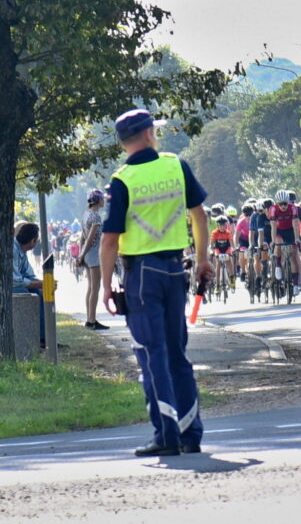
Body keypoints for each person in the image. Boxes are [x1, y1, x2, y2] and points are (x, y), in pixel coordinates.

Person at [99, 108, 211, 457]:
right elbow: (199, 215)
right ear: (148, 134)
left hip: (141, 274)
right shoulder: (175, 166)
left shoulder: (122, 181)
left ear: (124, 142)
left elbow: (110, 239)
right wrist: (204, 259)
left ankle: (166, 435)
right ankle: (191, 433)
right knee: (177, 352)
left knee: (152, 354)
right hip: (175, 269)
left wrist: (106, 285)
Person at [12, 221, 47, 348]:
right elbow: (15, 280)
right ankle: (26, 338)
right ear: (33, 241)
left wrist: (42, 284)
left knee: (39, 293)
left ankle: (42, 338)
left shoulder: (22, 251)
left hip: (15, 285)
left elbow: (29, 274)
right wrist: (38, 284)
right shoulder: (13, 249)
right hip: (7, 287)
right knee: (26, 295)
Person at [79, 189, 109, 330]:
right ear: (98, 200)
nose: (104, 201)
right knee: (95, 288)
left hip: (87, 254)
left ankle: (89, 318)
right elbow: (90, 238)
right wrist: (82, 254)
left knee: (90, 287)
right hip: (94, 254)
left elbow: (82, 237)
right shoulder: (96, 217)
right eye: (102, 198)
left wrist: (81, 254)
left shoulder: (86, 215)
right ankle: (92, 320)